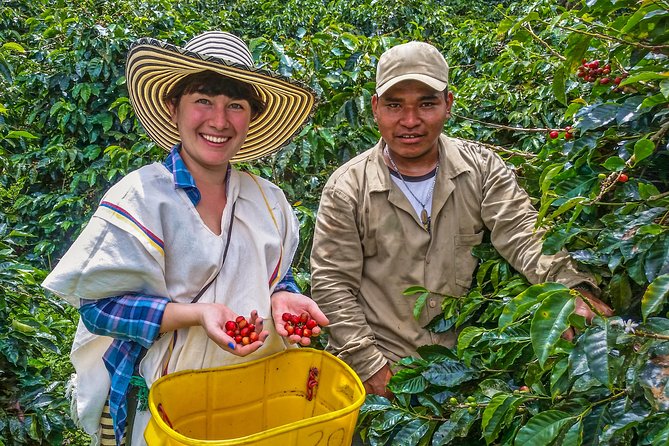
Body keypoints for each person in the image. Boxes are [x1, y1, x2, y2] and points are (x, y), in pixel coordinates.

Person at [42, 31, 328, 446]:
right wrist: (195, 314)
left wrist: (284, 296)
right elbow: (99, 309)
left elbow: (271, 277)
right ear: (174, 107)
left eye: (236, 106)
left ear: (251, 118)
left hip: (255, 391)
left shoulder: (268, 200)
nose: (219, 120)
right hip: (165, 398)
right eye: (203, 101)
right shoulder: (139, 197)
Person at [310, 40, 613, 400]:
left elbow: (524, 235)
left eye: (426, 104)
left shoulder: (481, 168)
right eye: (395, 105)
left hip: (463, 369)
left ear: (448, 104)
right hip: (381, 368)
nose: (410, 121)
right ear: (376, 108)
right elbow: (332, 284)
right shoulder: (348, 188)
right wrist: (371, 367)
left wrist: (573, 288)